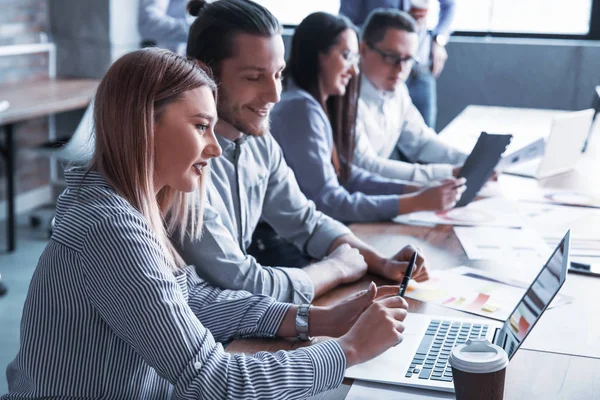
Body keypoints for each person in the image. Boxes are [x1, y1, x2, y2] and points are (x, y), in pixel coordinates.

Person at [3, 47, 412, 400]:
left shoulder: (125, 205)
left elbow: (192, 300)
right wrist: (349, 350)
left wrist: (314, 318)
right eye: (201, 126)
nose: (216, 148)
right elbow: (215, 381)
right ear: (144, 126)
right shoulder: (109, 227)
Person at [178, 0, 429, 306]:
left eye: (278, 74)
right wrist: (337, 267)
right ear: (205, 74)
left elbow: (306, 221)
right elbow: (242, 283)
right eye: (254, 77)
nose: (274, 95)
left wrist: (380, 262)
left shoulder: (259, 142)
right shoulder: (181, 160)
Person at [269, 12, 465, 226]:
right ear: (318, 56)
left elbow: (348, 174)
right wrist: (414, 201)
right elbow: (329, 202)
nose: (354, 69)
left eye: (408, 59)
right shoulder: (301, 109)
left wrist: (418, 191)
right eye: (346, 56)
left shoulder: (318, 104)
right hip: (284, 242)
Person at [354, 8, 467, 183]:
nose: (400, 69)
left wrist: (471, 161)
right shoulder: (344, 96)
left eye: (408, 60)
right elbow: (367, 166)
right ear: (363, 49)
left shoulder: (398, 91)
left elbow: (422, 142)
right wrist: (449, 173)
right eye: (391, 57)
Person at [339, 0, 456, 128]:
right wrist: (387, 29)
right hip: (379, 74)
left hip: (420, 68)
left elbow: (449, 5)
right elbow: (347, 25)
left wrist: (439, 39)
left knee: (422, 132)